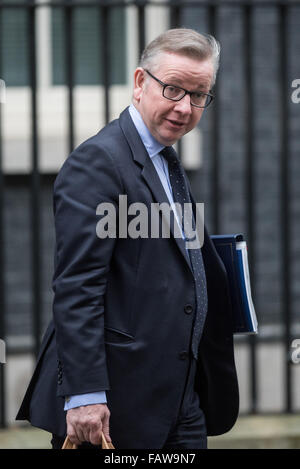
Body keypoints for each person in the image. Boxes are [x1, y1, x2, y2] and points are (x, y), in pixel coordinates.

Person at [16, 28, 239, 449]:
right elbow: (77, 287)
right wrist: (84, 396)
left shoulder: (165, 157)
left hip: (180, 402)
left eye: (198, 95)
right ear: (140, 82)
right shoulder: (98, 163)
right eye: (173, 89)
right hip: (116, 409)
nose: (184, 107)